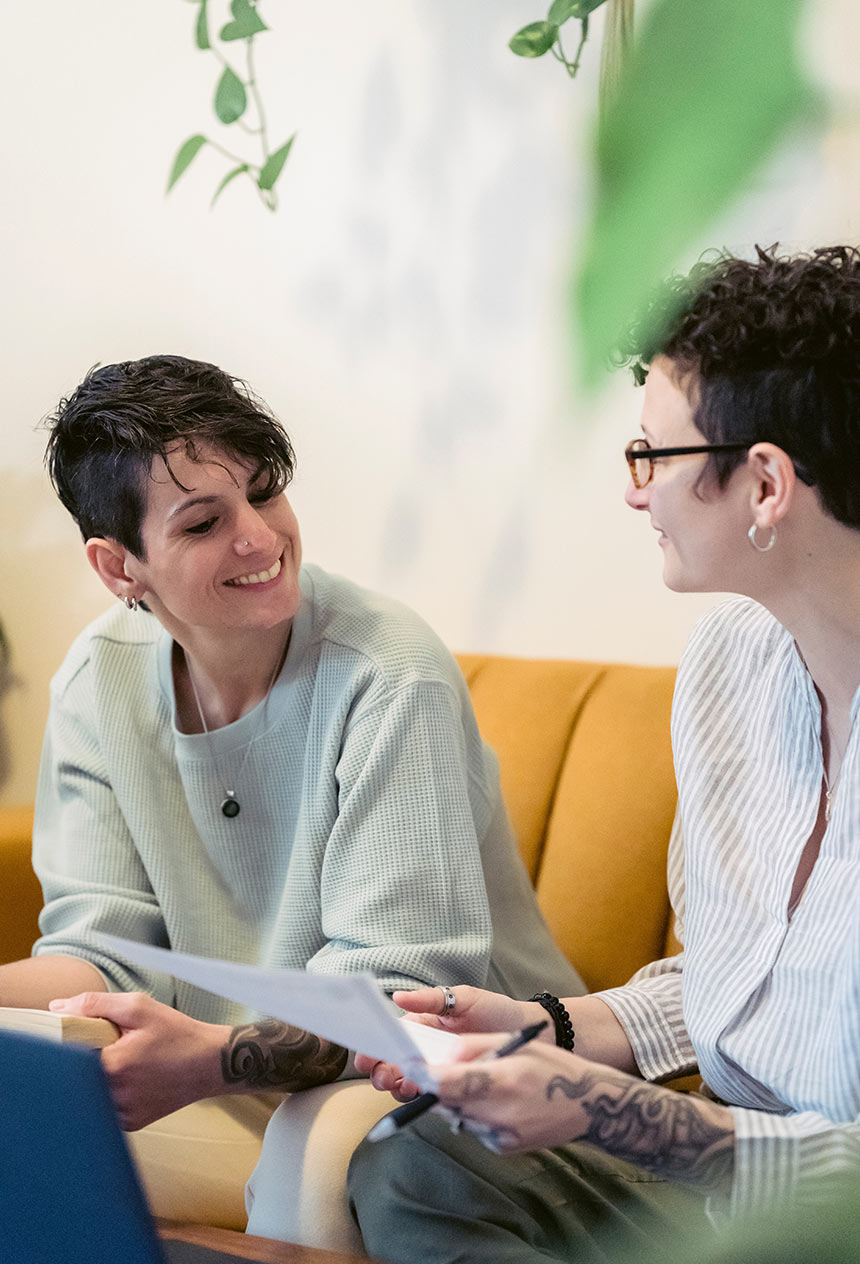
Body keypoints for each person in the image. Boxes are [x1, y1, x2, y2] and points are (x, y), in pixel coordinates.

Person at [349, 244, 860, 1262]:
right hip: (726, 1199)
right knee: (417, 1159)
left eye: (651, 456)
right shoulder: (727, 663)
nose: (635, 493)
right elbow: (731, 980)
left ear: (762, 483)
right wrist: (543, 1029)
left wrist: (619, 1113)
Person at [5, 354, 584, 1219]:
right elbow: (103, 954)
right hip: (235, 1075)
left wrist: (205, 1058)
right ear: (120, 566)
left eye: (265, 491)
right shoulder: (98, 680)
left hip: (448, 1075)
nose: (259, 538)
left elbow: (399, 998)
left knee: (307, 1172)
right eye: (203, 524)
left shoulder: (387, 674)